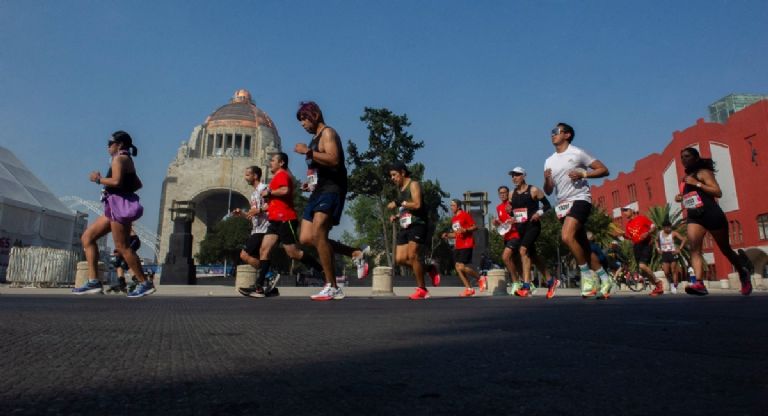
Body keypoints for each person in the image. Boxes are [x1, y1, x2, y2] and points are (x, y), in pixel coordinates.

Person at [293, 102, 370, 301]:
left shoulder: (328, 133)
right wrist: (309, 184)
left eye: (304, 119)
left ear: (315, 114)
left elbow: (334, 159)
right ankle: (354, 253)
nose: (302, 124)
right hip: (318, 189)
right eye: (300, 121)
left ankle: (332, 286)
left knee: (319, 231)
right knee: (306, 238)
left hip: (333, 188)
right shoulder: (313, 140)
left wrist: (308, 152)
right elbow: (318, 167)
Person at [74, 131, 155, 297]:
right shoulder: (125, 159)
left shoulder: (119, 159)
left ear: (120, 145)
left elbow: (116, 181)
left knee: (122, 246)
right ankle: (94, 282)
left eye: (110, 143)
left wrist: (98, 179)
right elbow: (137, 184)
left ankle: (144, 283)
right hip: (112, 206)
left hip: (118, 207)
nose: (108, 147)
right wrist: (124, 188)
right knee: (87, 237)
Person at [543, 122, 611, 299]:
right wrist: (548, 180)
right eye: (551, 132)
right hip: (562, 205)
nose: (552, 134)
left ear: (567, 135)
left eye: (556, 131)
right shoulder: (549, 161)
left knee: (566, 236)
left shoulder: (578, 153)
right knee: (583, 247)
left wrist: (584, 174)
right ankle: (605, 278)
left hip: (580, 199)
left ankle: (587, 276)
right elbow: (548, 191)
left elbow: (604, 170)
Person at [675, 147, 753, 296]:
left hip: (711, 214)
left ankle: (743, 273)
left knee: (725, 249)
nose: (684, 159)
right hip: (694, 216)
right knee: (694, 249)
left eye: (687, 156)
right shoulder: (685, 178)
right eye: (682, 157)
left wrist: (697, 183)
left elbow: (718, 192)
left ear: (696, 158)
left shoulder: (703, 173)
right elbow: (691, 195)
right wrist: (680, 197)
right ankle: (699, 283)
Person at [247, 153, 326, 298]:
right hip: (274, 221)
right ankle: (259, 286)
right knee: (264, 250)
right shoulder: (276, 177)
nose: (270, 163)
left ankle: (322, 271)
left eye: (273, 160)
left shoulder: (282, 174)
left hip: (286, 219)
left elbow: (285, 190)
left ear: (281, 163)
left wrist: (269, 192)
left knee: (293, 253)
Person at [387, 162, 439, 300]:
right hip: (406, 225)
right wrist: (397, 216)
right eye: (391, 176)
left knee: (412, 255)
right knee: (399, 259)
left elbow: (417, 204)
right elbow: (406, 208)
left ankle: (422, 289)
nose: (392, 178)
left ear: (403, 173)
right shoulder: (401, 189)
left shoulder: (413, 184)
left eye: (394, 175)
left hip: (418, 224)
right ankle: (429, 269)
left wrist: (398, 203)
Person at [508, 167, 556, 298]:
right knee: (533, 256)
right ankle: (551, 281)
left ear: (523, 176)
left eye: (517, 175)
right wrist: (510, 215)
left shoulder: (533, 190)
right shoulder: (511, 194)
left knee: (523, 251)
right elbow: (513, 212)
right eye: (512, 175)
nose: (514, 178)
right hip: (520, 227)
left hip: (533, 226)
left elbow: (547, 205)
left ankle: (526, 286)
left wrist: (538, 213)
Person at [234, 166, 280, 297]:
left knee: (244, 255)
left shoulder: (263, 188)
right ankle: (268, 275)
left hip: (264, 229)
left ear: (255, 176)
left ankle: (269, 274)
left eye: (247, 175)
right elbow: (253, 215)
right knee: (255, 257)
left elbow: (273, 204)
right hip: (256, 229)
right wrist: (242, 213)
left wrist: (259, 210)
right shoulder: (254, 194)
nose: (245, 177)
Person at [620, 205, 663, 296]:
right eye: (623, 211)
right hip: (636, 247)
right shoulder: (628, 224)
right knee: (643, 271)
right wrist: (623, 235)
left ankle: (658, 281)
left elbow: (653, 226)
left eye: (626, 210)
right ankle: (657, 287)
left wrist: (647, 233)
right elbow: (630, 237)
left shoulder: (642, 218)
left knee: (642, 265)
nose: (624, 213)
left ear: (632, 210)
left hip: (646, 244)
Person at [441, 199, 481, 297]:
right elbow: (456, 234)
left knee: (461, 266)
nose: (451, 207)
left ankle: (480, 278)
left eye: (453, 205)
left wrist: (465, 230)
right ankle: (469, 289)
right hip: (458, 245)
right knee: (457, 267)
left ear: (458, 206)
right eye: (451, 205)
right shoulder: (454, 219)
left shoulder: (465, 215)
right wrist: (447, 235)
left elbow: (475, 227)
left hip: (467, 244)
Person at [491, 186, 522, 293]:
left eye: (504, 192)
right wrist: (496, 223)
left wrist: (514, 220)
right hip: (506, 236)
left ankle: (515, 283)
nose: (502, 195)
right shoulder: (498, 207)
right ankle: (527, 283)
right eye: (500, 193)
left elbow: (521, 217)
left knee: (505, 257)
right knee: (515, 261)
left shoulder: (513, 204)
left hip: (516, 235)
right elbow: (502, 223)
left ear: (508, 193)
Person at [655, 220, 687, 294]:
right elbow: (656, 241)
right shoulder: (659, 233)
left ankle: (674, 286)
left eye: (670, 227)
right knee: (666, 272)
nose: (669, 229)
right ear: (664, 228)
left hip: (672, 253)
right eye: (667, 227)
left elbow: (684, 239)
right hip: (664, 253)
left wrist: (679, 249)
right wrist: (658, 249)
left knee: (673, 270)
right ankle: (671, 283)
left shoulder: (673, 233)